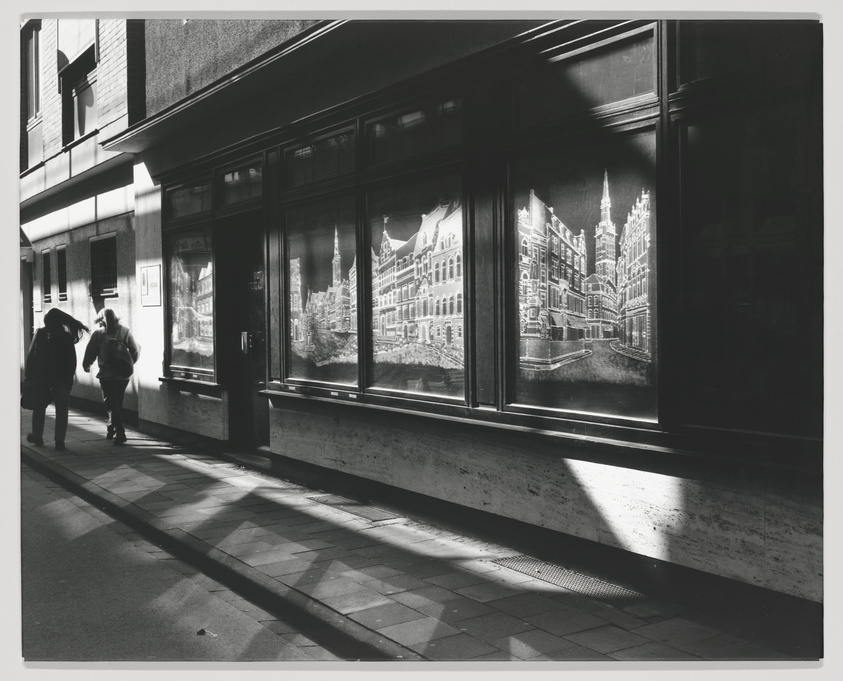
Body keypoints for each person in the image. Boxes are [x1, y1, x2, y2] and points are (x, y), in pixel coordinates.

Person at [24, 308, 89, 451]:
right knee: (62, 410)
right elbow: (72, 360)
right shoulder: (65, 336)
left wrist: (29, 376)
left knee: (39, 407)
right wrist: (69, 378)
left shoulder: (40, 333)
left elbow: (31, 355)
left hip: (42, 379)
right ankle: (59, 441)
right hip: (61, 379)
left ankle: (37, 436)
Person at [83, 308, 140, 445]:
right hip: (122, 376)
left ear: (100, 320)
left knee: (111, 404)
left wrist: (87, 364)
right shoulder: (124, 331)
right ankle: (111, 426)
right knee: (116, 403)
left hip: (107, 376)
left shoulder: (98, 334)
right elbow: (135, 350)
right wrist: (129, 364)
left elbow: (90, 351)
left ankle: (119, 432)